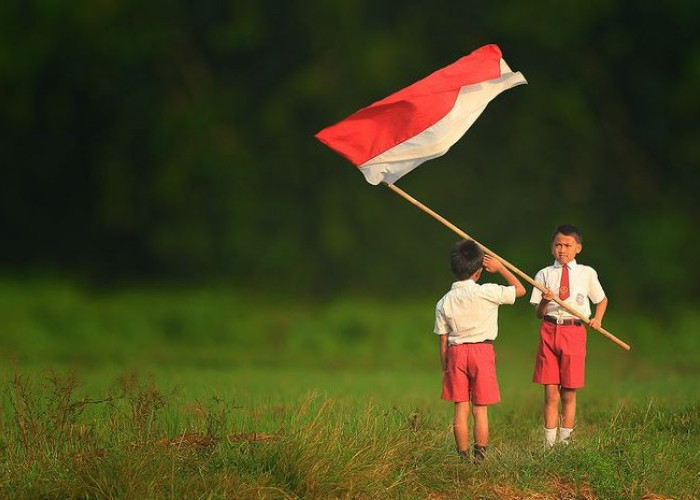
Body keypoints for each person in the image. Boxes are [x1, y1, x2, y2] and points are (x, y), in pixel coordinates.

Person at [435, 239, 526, 462]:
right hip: (482, 353)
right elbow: (521, 290)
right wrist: (501, 268)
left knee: (460, 409)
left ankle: (463, 457)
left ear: (453, 269)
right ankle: (480, 456)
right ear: (478, 272)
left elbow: (443, 340)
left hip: (456, 354)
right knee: (480, 409)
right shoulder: (488, 292)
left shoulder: (443, 302)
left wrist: (445, 366)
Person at [530, 224, 608, 447]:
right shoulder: (544, 274)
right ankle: (549, 446)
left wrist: (598, 319)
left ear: (578, 248)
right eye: (558, 245)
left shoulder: (587, 273)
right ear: (551, 247)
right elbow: (538, 312)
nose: (562, 250)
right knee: (550, 391)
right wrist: (546, 300)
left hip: (574, 331)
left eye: (567, 245)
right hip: (549, 329)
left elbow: (601, 300)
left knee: (569, 391)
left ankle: (565, 444)